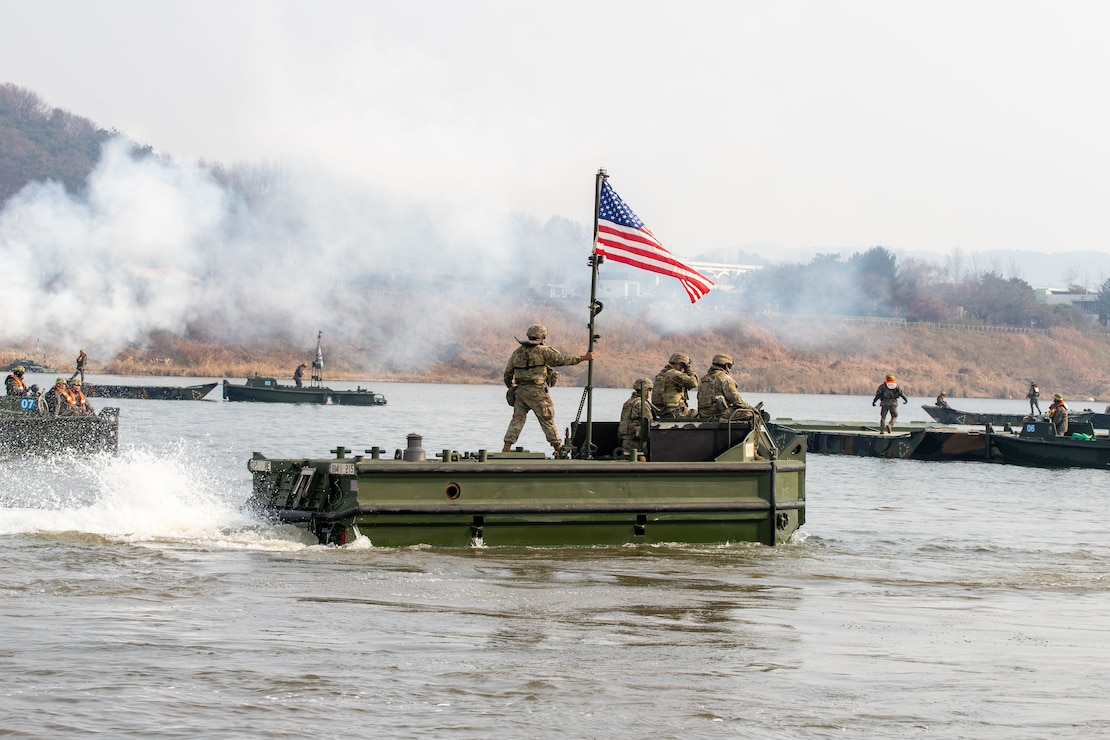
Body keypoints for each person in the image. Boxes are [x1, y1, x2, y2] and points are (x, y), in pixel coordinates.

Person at [502, 324, 594, 454]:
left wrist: (511, 387)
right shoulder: (543, 351)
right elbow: (560, 359)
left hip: (520, 392)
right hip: (537, 391)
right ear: (542, 337)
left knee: (517, 420)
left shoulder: (517, 352)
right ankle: (558, 448)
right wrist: (583, 358)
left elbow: (507, 373)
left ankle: (507, 447)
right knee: (547, 419)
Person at [696, 354, 754, 422]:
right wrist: (751, 408)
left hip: (704, 415)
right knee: (752, 414)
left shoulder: (703, 380)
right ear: (726, 366)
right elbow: (736, 400)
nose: (729, 369)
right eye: (729, 367)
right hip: (719, 414)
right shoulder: (725, 379)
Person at [652, 352, 698, 418]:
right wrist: (689, 369)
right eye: (684, 367)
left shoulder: (661, 375)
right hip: (675, 412)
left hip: (662, 412)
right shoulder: (675, 374)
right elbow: (694, 383)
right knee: (699, 415)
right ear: (681, 364)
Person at [617, 378, 656, 454]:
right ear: (646, 390)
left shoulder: (628, 402)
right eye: (650, 390)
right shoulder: (642, 404)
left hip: (625, 440)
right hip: (636, 442)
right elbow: (649, 424)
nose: (650, 392)